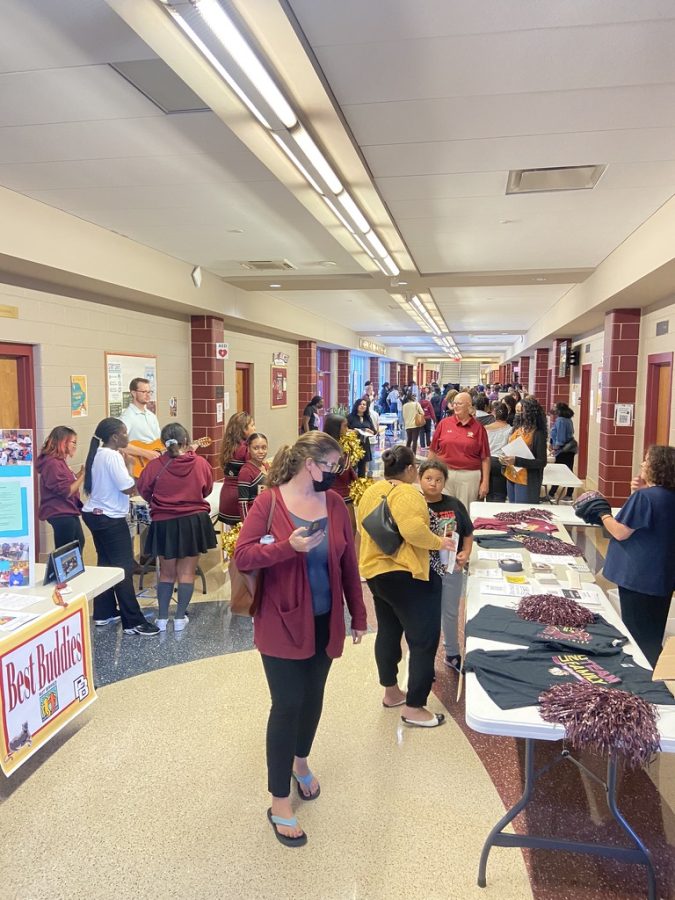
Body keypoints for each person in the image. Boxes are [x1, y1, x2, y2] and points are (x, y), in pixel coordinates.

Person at [234, 432, 367, 847]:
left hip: (324, 620)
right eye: (330, 467)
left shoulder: (335, 506)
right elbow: (242, 556)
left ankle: (300, 761)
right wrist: (287, 548)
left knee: (313, 697)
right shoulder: (268, 502)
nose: (335, 475)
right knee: (287, 704)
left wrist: (358, 615)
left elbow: (348, 563)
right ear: (310, 464)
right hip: (281, 622)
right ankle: (278, 802)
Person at [358, 446, 457, 728]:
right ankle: (415, 707)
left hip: (376, 573)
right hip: (406, 575)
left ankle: (391, 692)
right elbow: (413, 532)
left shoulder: (370, 490)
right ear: (411, 469)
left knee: (388, 632)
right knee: (423, 639)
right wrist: (441, 543)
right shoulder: (408, 493)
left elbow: (361, 526)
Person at [81, 418, 159, 635]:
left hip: (94, 515)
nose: (127, 437)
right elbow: (128, 489)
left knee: (106, 564)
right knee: (123, 569)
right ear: (115, 437)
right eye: (125, 433)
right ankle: (133, 621)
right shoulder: (113, 456)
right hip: (110, 519)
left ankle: (103, 612)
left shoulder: (98, 453)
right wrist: (132, 467)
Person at [137, 423, 217, 631]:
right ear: (186, 440)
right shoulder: (200, 463)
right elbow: (206, 488)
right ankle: (180, 618)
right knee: (187, 573)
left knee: (166, 572)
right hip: (193, 521)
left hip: (165, 522)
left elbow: (144, 489)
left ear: (163, 442)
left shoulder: (155, 466)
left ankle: (162, 618)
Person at [601, 445, 675, 667]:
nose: (642, 464)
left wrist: (601, 513)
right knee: (652, 632)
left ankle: (647, 680)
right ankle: (658, 673)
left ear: (657, 467)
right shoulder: (665, 496)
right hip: (661, 576)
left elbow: (621, 531)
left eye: (646, 460)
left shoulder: (645, 498)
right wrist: (641, 490)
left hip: (638, 576)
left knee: (637, 636)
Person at [419, 459, 474, 672]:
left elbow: (468, 532)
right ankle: (423, 663)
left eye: (438, 480)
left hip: (451, 570)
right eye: (428, 478)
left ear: (445, 482)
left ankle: (452, 654)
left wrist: (466, 553)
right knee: (425, 617)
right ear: (419, 479)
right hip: (423, 572)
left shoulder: (454, 504)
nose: (433, 484)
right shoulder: (415, 504)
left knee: (450, 613)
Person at [429, 392, 490, 508]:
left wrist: (485, 482)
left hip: (469, 477)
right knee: (444, 510)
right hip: (444, 474)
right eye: (454, 403)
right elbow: (432, 450)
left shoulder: (478, 428)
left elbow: (485, 458)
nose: (455, 406)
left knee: (464, 510)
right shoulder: (444, 424)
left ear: (469, 406)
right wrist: (428, 473)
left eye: (460, 403)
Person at [37, 427, 85, 551]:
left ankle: (71, 570)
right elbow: (66, 491)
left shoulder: (59, 461)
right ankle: (61, 571)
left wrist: (78, 475)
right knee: (67, 550)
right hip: (60, 512)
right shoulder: (52, 463)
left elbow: (65, 483)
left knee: (78, 543)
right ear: (63, 442)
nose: (75, 446)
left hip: (67, 509)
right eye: (73, 442)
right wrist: (83, 477)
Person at [502, 395, 548, 504]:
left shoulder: (537, 434)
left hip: (526, 479)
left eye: (520, 412)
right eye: (516, 411)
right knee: (513, 511)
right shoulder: (517, 428)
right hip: (511, 475)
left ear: (530, 413)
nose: (517, 415)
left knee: (523, 512)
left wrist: (516, 460)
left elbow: (541, 462)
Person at [218, 412, 256, 526]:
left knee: (230, 540)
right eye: (252, 425)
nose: (255, 428)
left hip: (226, 496)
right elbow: (254, 473)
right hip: (240, 498)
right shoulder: (246, 449)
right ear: (244, 429)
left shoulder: (227, 447)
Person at [322, 414, 357, 529]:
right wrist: (347, 456)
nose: (347, 429)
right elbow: (341, 471)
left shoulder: (341, 444)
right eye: (345, 426)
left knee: (350, 528)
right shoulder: (329, 448)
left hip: (345, 491)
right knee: (346, 528)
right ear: (336, 428)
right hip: (336, 493)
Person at [119, 377, 162, 466]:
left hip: (154, 465)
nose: (148, 395)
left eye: (149, 392)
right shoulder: (128, 416)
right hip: (138, 466)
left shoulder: (152, 416)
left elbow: (159, 442)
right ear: (134, 393)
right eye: (144, 392)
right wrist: (146, 453)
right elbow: (119, 444)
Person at [547, 402, 576, 503]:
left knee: (559, 472)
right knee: (568, 471)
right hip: (569, 450)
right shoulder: (568, 420)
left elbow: (561, 438)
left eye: (555, 407)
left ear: (559, 410)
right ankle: (568, 494)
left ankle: (552, 493)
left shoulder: (560, 420)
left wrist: (555, 448)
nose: (553, 408)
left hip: (563, 450)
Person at [237, 432, 269, 520]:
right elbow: (243, 503)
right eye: (256, 448)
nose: (261, 452)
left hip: (267, 516)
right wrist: (246, 526)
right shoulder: (246, 471)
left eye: (264, 448)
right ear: (248, 449)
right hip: (254, 518)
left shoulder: (266, 466)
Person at [484, 403, 512, 502]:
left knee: (488, 491)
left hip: (487, 460)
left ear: (494, 414)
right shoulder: (510, 429)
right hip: (501, 461)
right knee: (500, 493)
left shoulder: (486, 428)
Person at [347, 398, 376, 478]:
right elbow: (345, 429)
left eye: (364, 405)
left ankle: (360, 486)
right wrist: (356, 431)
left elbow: (374, 431)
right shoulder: (350, 417)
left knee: (362, 467)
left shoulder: (367, 418)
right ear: (356, 405)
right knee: (353, 467)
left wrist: (371, 431)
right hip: (353, 444)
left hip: (365, 444)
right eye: (360, 404)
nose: (362, 406)